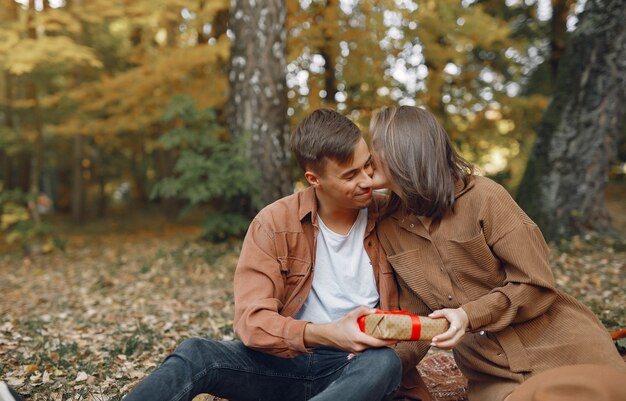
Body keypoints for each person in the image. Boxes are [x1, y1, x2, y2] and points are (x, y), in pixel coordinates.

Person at [123, 108, 429, 401]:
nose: (366, 180)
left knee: (384, 363)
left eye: (368, 166)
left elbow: (425, 303)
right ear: (314, 179)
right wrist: (328, 334)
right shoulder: (273, 223)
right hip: (285, 363)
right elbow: (252, 323)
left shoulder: (392, 215)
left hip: (358, 367)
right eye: (350, 175)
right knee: (196, 353)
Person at [368, 105, 626, 401]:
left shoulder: (485, 198)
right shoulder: (389, 226)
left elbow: (535, 283)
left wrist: (468, 315)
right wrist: (373, 369)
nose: (367, 156)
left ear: (403, 152)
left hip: (561, 347)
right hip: (492, 372)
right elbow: (418, 316)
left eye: (375, 146)